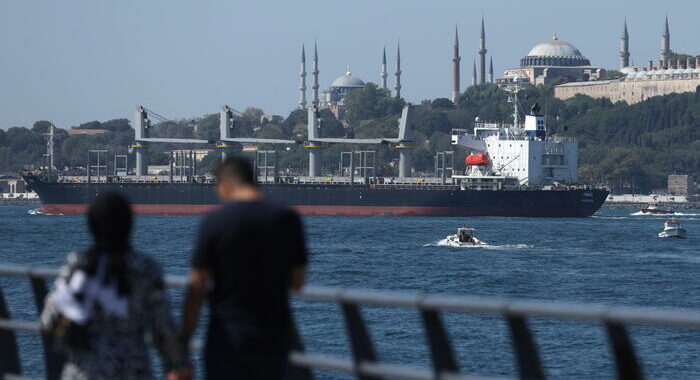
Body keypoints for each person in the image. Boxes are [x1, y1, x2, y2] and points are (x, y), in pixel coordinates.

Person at [179, 155, 308, 380]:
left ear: (226, 184)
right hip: (273, 337)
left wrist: (183, 343)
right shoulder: (287, 219)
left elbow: (197, 286)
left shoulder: (214, 222)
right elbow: (297, 282)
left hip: (225, 338)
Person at [41, 193, 189, 380]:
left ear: (91, 226)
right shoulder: (145, 269)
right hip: (132, 371)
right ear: (129, 225)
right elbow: (164, 329)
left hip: (84, 371)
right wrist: (178, 365)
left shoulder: (77, 266)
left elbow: (49, 318)